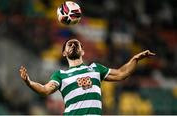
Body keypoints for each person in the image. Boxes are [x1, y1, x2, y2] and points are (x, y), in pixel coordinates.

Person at [19, 39, 155, 115]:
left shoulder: (95, 68)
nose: (73, 45)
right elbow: (45, 90)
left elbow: (121, 74)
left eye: (76, 44)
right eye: (69, 44)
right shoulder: (60, 75)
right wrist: (29, 82)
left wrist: (135, 59)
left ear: (82, 51)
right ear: (64, 53)